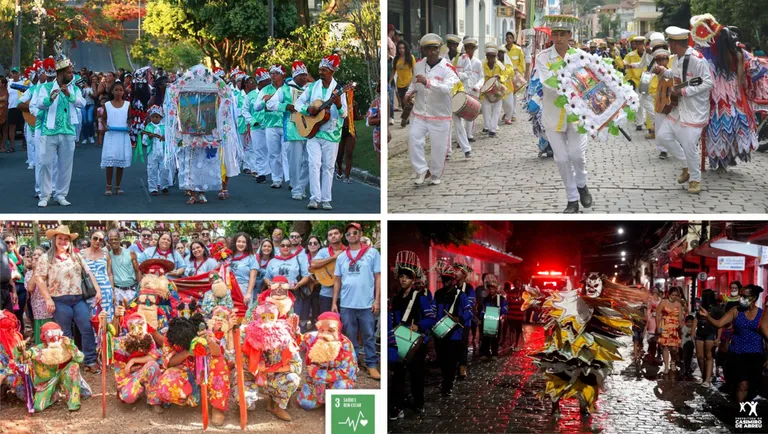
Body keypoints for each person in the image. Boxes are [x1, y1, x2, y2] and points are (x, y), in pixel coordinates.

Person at [536, 15, 593, 213]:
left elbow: (588, 83)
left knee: (577, 154)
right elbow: (547, 83)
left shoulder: (580, 56)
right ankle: (572, 200)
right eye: (556, 34)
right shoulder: (543, 57)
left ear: (570, 35)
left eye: (563, 34)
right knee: (560, 159)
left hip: (577, 115)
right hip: (553, 114)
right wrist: (572, 84)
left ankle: (582, 183)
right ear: (552, 35)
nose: (559, 38)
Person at [653, 26, 713, 194]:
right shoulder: (677, 58)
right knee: (663, 137)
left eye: (670, 43)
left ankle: (695, 180)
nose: (668, 46)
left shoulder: (697, 59)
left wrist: (686, 91)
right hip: (679, 108)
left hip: (694, 110)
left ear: (674, 43)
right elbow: (677, 75)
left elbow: (708, 82)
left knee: (689, 145)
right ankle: (686, 165)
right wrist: (664, 71)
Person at [34, 225, 102, 373]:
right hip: (59, 300)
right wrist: (48, 299)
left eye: (66, 239)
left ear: (70, 241)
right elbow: (39, 279)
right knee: (65, 333)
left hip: (78, 299)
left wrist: (98, 290)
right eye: (60, 238)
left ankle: (90, 360)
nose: (63, 241)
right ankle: (69, 363)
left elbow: (89, 273)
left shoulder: (76, 256)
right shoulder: (46, 258)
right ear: (54, 240)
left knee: (86, 328)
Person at [150, 313, 231, 425]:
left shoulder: (203, 331)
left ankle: (217, 407)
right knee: (166, 386)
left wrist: (208, 341)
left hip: (206, 369)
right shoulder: (171, 336)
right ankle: (191, 396)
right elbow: (168, 363)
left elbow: (217, 352)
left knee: (219, 363)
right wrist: (188, 352)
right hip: (184, 370)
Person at [294, 54, 348, 210]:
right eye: (320, 69)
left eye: (324, 70)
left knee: (328, 167)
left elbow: (344, 114)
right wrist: (307, 109)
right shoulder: (312, 87)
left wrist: (338, 105)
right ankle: (314, 198)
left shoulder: (340, 90)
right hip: (313, 132)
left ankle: (326, 199)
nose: (321, 72)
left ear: (332, 71)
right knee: (313, 164)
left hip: (331, 134)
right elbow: (298, 103)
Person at [405, 34, 459, 186]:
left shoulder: (448, 68)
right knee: (413, 138)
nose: (431, 52)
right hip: (420, 112)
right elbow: (414, 84)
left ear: (439, 49)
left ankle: (435, 174)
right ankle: (422, 169)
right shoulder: (419, 65)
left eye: (434, 49)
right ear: (423, 50)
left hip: (440, 115)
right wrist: (409, 93)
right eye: (428, 49)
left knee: (438, 148)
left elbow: (447, 89)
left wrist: (428, 82)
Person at [698, 284, 768, 402]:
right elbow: (719, 323)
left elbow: (766, 335)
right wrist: (707, 316)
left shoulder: (762, 314)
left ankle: (745, 404)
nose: (741, 298)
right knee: (742, 384)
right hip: (737, 353)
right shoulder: (735, 311)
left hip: (755, 354)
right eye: (740, 295)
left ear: (754, 298)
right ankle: (740, 411)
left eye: (744, 296)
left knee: (753, 386)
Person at [32, 53, 86, 207]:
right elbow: (39, 104)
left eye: (72, 72)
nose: (72, 75)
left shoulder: (74, 88)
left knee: (65, 165)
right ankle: (44, 195)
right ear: (60, 73)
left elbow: (82, 103)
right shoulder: (46, 87)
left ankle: (61, 194)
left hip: (68, 131)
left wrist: (69, 96)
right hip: (49, 131)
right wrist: (49, 98)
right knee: (45, 163)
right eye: (69, 72)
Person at [332, 222, 381, 380]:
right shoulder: (341, 257)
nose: (351, 236)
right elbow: (337, 280)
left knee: (368, 336)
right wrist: (334, 302)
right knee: (350, 336)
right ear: (345, 238)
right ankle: (352, 363)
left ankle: (372, 364)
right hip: (347, 304)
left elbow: (378, 278)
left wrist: (377, 300)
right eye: (348, 234)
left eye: (355, 233)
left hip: (366, 304)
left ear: (360, 235)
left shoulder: (372, 253)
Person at [389, 251, 433, 419]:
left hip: (416, 343)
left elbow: (431, 318)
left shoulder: (420, 297)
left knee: (417, 375)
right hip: (399, 341)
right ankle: (397, 406)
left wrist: (419, 325)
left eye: (407, 277)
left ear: (413, 280)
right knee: (398, 375)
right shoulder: (396, 298)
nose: (403, 279)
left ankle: (419, 402)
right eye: (401, 276)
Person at [241, 302, 302, 422]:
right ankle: (245, 406)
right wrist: (257, 367)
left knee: (293, 379)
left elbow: (297, 365)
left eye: (271, 317)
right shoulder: (247, 335)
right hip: (254, 377)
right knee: (243, 396)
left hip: (275, 379)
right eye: (263, 317)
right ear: (257, 318)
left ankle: (277, 406)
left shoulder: (284, 337)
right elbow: (240, 363)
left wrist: (271, 370)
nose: (267, 321)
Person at [14, 322, 92, 411]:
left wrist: (72, 346)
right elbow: (23, 358)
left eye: (57, 334)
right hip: (47, 381)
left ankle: (73, 401)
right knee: (38, 407)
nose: (55, 338)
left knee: (74, 366)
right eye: (50, 334)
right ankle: (54, 394)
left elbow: (80, 358)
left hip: (65, 375)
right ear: (44, 337)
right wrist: (20, 350)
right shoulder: (39, 349)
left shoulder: (66, 345)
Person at [295, 311, 358, 410]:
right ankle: (322, 398)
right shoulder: (311, 337)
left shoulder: (346, 344)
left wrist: (318, 373)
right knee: (306, 404)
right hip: (316, 381)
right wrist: (294, 330)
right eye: (321, 330)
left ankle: (331, 401)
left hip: (337, 381)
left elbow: (348, 372)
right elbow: (296, 343)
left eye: (331, 330)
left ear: (338, 330)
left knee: (341, 388)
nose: (325, 334)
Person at [102, 311, 162, 409]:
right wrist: (102, 327)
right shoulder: (120, 343)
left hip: (144, 370)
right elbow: (122, 371)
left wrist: (133, 361)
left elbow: (154, 356)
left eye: (141, 325)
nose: (138, 329)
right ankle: (136, 390)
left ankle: (154, 401)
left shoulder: (148, 338)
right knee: (128, 397)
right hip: (129, 376)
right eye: (134, 326)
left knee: (153, 365)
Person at [432, 263, 471, 396]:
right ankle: (446, 380)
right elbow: (433, 311)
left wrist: (459, 318)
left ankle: (448, 385)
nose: (446, 282)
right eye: (444, 279)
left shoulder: (461, 295)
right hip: (440, 334)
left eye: (448, 279)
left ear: (454, 280)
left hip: (454, 334)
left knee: (451, 361)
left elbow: (469, 312)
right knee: (442, 360)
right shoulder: (437, 294)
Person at [254, 65, 290, 189]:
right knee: (273, 153)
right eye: (271, 73)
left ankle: (291, 179)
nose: (273, 75)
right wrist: (264, 100)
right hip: (270, 124)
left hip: (286, 123)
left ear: (282, 75)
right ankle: (277, 179)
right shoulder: (265, 90)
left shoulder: (288, 89)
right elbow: (256, 107)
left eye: (276, 73)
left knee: (287, 153)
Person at [265, 237, 311, 330]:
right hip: (276, 294)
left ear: (291, 247)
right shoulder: (273, 261)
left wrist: (298, 284)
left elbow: (306, 276)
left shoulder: (298, 259)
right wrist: (269, 284)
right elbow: (266, 277)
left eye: (288, 245)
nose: (285, 247)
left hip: (293, 292)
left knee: (293, 318)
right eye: (283, 245)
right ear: (279, 248)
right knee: (277, 318)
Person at [281, 61, 310, 200]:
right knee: (295, 161)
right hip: (293, 130)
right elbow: (271, 103)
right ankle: (296, 187)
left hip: (309, 128)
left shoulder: (309, 89)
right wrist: (286, 106)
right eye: (303, 75)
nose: (305, 78)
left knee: (310, 161)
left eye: (306, 75)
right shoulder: (285, 89)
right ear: (296, 76)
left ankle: (301, 186)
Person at [453, 38, 483, 157]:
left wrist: (477, 86)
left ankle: (469, 135)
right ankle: (462, 143)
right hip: (459, 91)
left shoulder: (477, 62)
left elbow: (481, 77)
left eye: (472, 48)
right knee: (458, 119)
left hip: (473, 90)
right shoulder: (458, 59)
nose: (470, 50)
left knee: (470, 115)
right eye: (468, 48)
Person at [136, 105, 173, 195]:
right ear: (150, 117)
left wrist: (166, 138)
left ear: (160, 117)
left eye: (157, 117)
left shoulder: (164, 127)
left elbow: (170, 139)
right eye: (153, 117)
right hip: (152, 152)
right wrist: (150, 138)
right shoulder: (148, 127)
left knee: (164, 169)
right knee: (152, 169)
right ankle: (153, 188)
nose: (155, 119)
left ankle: (164, 186)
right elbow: (145, 142)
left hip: (163, 152)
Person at [81, 229, 115, 322]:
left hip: (105, 290)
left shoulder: (106, 254)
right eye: (95, 238)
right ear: (90, 239)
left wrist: (113, 291)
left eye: (100, 239)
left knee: (106, 319)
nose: (97, 241)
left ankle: (105, 337)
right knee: (92, 319)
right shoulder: (81, 253)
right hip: (89, 290)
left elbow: (109, 273)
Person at [691, 289, 722, 386]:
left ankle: (707, 379)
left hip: (711, 333)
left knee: (709, 356)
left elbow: (720, 324)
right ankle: (704, 375)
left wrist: (718, 338)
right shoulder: (700, 307)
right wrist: (693, 330)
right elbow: (696, 318)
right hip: (700, 333)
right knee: (700, 357)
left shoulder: (717, 308)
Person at [247, 68, 272, 183]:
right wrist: (252, 121)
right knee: (258, 149)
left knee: (271, 149)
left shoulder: (273, 91)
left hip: (269, 124)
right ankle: (261, 173)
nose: (268, 82)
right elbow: (244, 110)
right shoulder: (251, 95)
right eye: (266, 81)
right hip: (256, 126)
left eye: (269, 80)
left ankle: (272, 173)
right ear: (260, 83)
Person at [312, 226, 345, 315]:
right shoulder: (323, 251)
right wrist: (333, 257)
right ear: (328, 238)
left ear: (341, 235)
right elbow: (313, 264)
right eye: (330, 234)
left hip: (345, 295)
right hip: (326, 294)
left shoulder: (347, 251)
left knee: (343, 324)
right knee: (326, 322)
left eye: (336, 233)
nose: (333, 236)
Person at [25, 246, 54, 344]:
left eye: (39, 255)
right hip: (38, 311)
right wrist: (36, 270)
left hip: (51, 308)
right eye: (34, 255)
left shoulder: (50, 271)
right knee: (41, 337)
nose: (36, 257)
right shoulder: (29, 274)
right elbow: (30, 288)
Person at [107, 229, 141, 306]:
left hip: (131, 290)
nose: (113, 241)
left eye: (115, 239)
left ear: (120, 239)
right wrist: (113, 292)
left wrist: (140, 289)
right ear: (108, 241)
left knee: (132, 314)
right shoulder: (108, 255)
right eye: (111, 239)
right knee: (119, 315)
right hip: (117, 290)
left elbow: (137, 270)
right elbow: (110, 274)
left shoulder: (130, 253)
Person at [481, 42, 508, 137]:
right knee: (486, 109)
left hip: (497, 89)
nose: (491, 58)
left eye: (493, 56)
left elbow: (506, 75)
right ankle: (487, 126)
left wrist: (500, 77)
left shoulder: (500, 65)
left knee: (497, 109)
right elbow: (479, 77)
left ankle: (493, 129)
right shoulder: (482, 64)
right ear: (486, 56)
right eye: (489, 56)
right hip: (485, 91)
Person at [656, 286, 684, 374]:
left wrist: (681, 327)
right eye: (673, 295)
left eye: (676, 295)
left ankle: (673, 361)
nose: (674, 297)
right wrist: (658, 327)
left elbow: (680, 317)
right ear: (669, 294)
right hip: (664, 326)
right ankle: (666, 366)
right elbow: (657, 314)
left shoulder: (678, 304)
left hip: (675, 327)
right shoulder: (663, 302)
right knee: (665, 347)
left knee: (674, 348)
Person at [478, 276, 507, 359]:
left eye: (492, 289)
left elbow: (505, 308)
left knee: (495, 337)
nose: (491, 291)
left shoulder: (501, 299)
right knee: (486, 337)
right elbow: (483, 309)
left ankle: (494, 354)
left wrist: (501, 312)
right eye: (490, 289)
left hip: (496, 321)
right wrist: (481, 318)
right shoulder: (486, 299)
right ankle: (485, 353)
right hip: (486, 321)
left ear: (496, 289)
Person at [3, 233, 27, 328]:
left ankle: (20, 334)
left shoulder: (19, 257)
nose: (10, 244)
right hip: (10, 286)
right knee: (10, 313)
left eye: (12, 242)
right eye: (7, 242)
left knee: (20, 312)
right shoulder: (3, 256)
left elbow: (23, 272)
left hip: (21, 286)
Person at [502, 32, 526, 124]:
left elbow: (522, 63)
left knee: (513, 95)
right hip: (505, 76)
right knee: (504, 95)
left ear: (513, 39)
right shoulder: (503, 49)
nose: (509, 39)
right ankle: (507, 112)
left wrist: (519, 72)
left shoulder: (518, 49)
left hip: (515, 75)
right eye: (507, 37)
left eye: (510, 37)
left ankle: (513, 114)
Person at [230, 232, 258, 305]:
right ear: (235, 242)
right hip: (228, 288)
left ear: (247, 244)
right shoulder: (227, 256)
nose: (241, 244)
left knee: (244, 313)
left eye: (244, 242)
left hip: (244, 288)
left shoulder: (251, 258)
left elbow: (253, 277)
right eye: (238, 241)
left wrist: (248, 293)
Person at [393, 40, 416, 125]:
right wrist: (389, 81)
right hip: (399, 84)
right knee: (403, 102)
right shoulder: (396, 59)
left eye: (403, 48)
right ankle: (406, 117)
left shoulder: (410, 57)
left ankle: (404, 118)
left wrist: (412, 83)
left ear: (406, 48)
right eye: (399, 48)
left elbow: (414, 71)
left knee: (408, 101)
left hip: (408, 83)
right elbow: (393, 71)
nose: (401, 50)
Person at [504, 278, 525, 351]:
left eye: (519, 283)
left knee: (518, 330)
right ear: (514, 284)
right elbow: (508, 302)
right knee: (511, 330)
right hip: (511, 314)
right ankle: (511, 343)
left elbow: (524, 303)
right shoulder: (510, 292)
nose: (518, 285)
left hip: (519, 315)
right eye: (516, 283)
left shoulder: (523, 293)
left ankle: (516, 344)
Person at [306, 235, 322, 324]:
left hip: (321, 287)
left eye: (315, 243)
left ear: (319, 245)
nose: (312, 245)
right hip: (306, 287)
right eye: (310, 243)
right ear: (307, 246)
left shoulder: (324, 256)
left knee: (317, 311)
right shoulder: (303, 257)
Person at [681, 314, 695, 380]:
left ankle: (688, 367)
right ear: (686, 322)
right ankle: (686, 369)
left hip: (691, 345)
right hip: (684, 345)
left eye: (691, 322)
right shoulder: (684, 328)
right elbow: (684, 335)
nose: (689, 324)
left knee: (690, 357)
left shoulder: (694, 329)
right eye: (688, 322)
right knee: (685, 357)